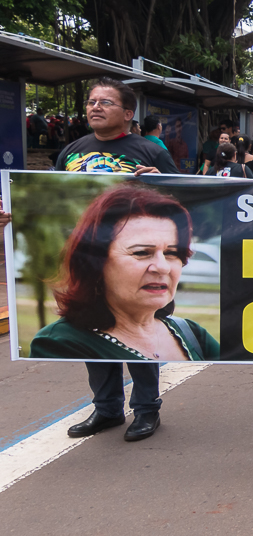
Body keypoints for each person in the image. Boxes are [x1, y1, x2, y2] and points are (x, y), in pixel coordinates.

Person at [50, 78, 179, 442]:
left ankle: (146, 409)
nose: (95, 107)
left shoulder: (150, 151)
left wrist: (164, 180)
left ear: (127, 113)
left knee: (138, 332)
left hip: (134, 262)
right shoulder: (71, 151)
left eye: (105, 102)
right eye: (92, 101)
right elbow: (48, 198)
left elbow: (182, 198)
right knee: (93, 329)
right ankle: (107, 409)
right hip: (88, 258)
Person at [25, 184, 219, 364]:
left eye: (171, 253)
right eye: (141, 252)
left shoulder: (192, 334)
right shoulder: (60, 344)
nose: (162, 267)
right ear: (96, 263)